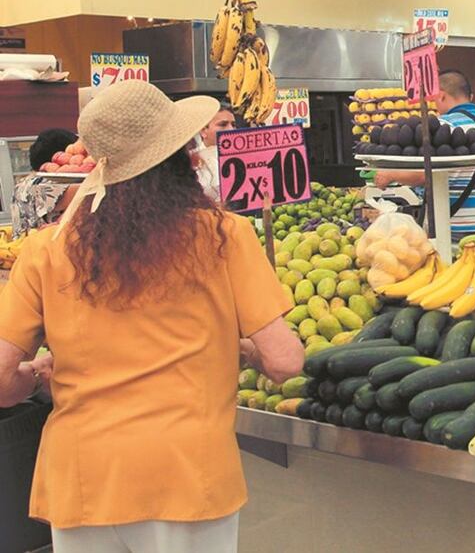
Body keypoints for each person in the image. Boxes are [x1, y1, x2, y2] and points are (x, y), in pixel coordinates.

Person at [0, 80, 304, 552]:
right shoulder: (225, 235)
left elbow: (1, 380)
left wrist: (34, 376)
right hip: (188, 473)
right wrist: (238, 351)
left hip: (83, 476)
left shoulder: (48, 248)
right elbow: (285, 361)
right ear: (180, 158)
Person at [374, 69, 475, 242]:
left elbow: (425, 173)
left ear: (442, 96)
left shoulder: (444, 126)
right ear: (470, 97)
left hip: (448, 228)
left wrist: (390, 175)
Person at [10, 129, 80, 238]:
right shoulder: (47, 185)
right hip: (47, 252)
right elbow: (90, 190)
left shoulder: (22, 184)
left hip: (23, 250)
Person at [190, 105, 237, 201]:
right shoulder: (191, 162)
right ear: (203, 130)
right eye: (223, 124)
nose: (231, 129)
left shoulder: (247, 157)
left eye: (233, 125)